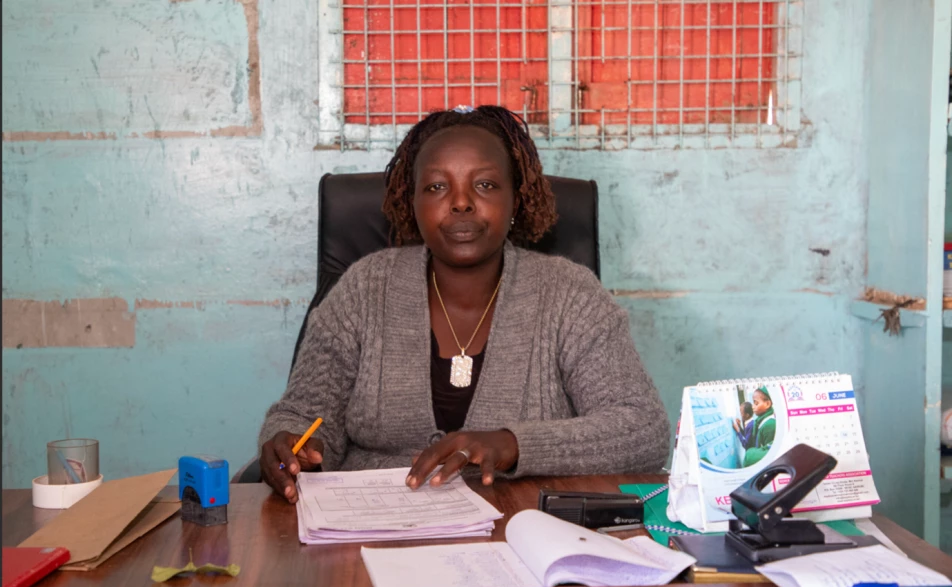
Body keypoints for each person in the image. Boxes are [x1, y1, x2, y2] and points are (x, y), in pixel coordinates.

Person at [256, 105, 669, 503]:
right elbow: (305, 414)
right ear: (411, 203)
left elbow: (644, 430)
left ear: (516, 200)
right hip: (374, 534)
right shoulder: (364, 290)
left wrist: (513, 445)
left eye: (485, 185)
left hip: (521, 533)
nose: (461, 202)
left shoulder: (570, 295)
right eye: (437, 187)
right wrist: (292, 447)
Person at [741, 387, 776, 467]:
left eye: (756, 403)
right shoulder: (760, 422)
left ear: (767, 404)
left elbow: (769, 457)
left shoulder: (769, 425)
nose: (753, 407)